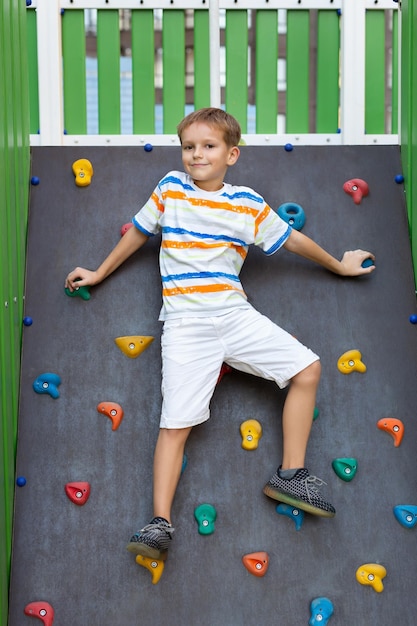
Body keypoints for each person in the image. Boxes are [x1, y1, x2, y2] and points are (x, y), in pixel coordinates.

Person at [65, 107, 375, 562]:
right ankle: (159, 523)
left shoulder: (246, 202)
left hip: (234, 314)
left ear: (232, 154)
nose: (196, 155)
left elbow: (291, 240)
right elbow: (137, 234)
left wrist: (339, 265)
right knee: (176, 423)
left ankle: (291, 474)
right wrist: (98, 272)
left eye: (208, 146)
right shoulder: (171, 189)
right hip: (186, 326)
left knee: (307, 368)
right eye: (189, 146)